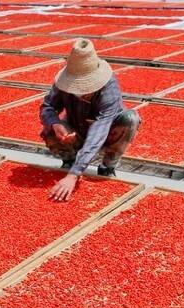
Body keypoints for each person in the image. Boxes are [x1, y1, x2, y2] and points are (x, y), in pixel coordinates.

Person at [40, 38, 140, 201]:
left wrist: (74, 175)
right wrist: (56, 123)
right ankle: (69, 160)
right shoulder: (62, 82)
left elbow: (99, 131)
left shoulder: (109, 88)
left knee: (131, 119)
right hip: (76, 128)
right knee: (48, 128)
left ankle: (107, 166)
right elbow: (47, 107)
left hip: (108, 133)